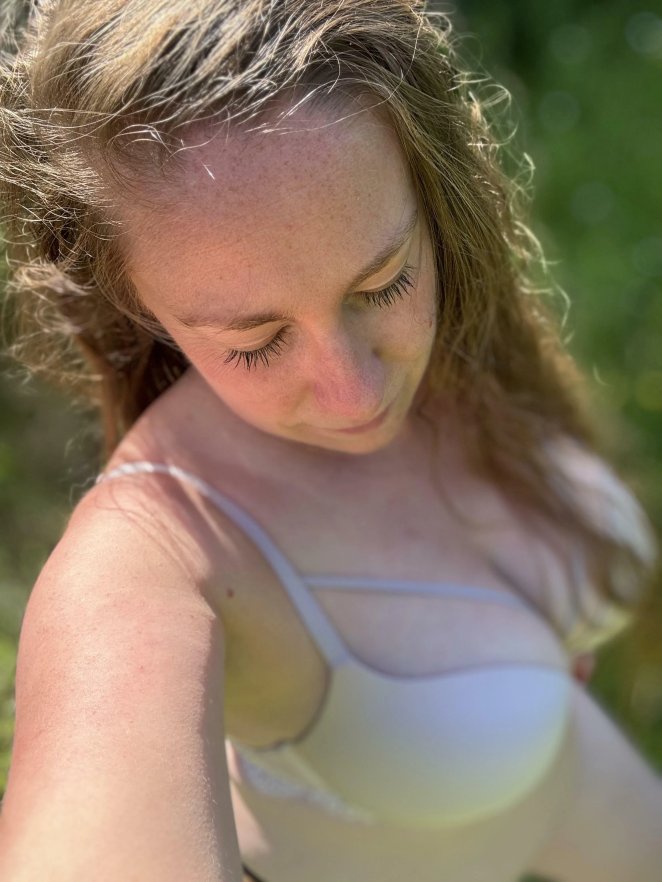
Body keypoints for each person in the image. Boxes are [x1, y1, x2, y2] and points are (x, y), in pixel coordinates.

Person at [0, 1, 660, 880]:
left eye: (383, 284)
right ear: (133, 301)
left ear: (437, 202)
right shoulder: (149, 568)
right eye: (255, 341)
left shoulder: (468, 359)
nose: (357, 391)